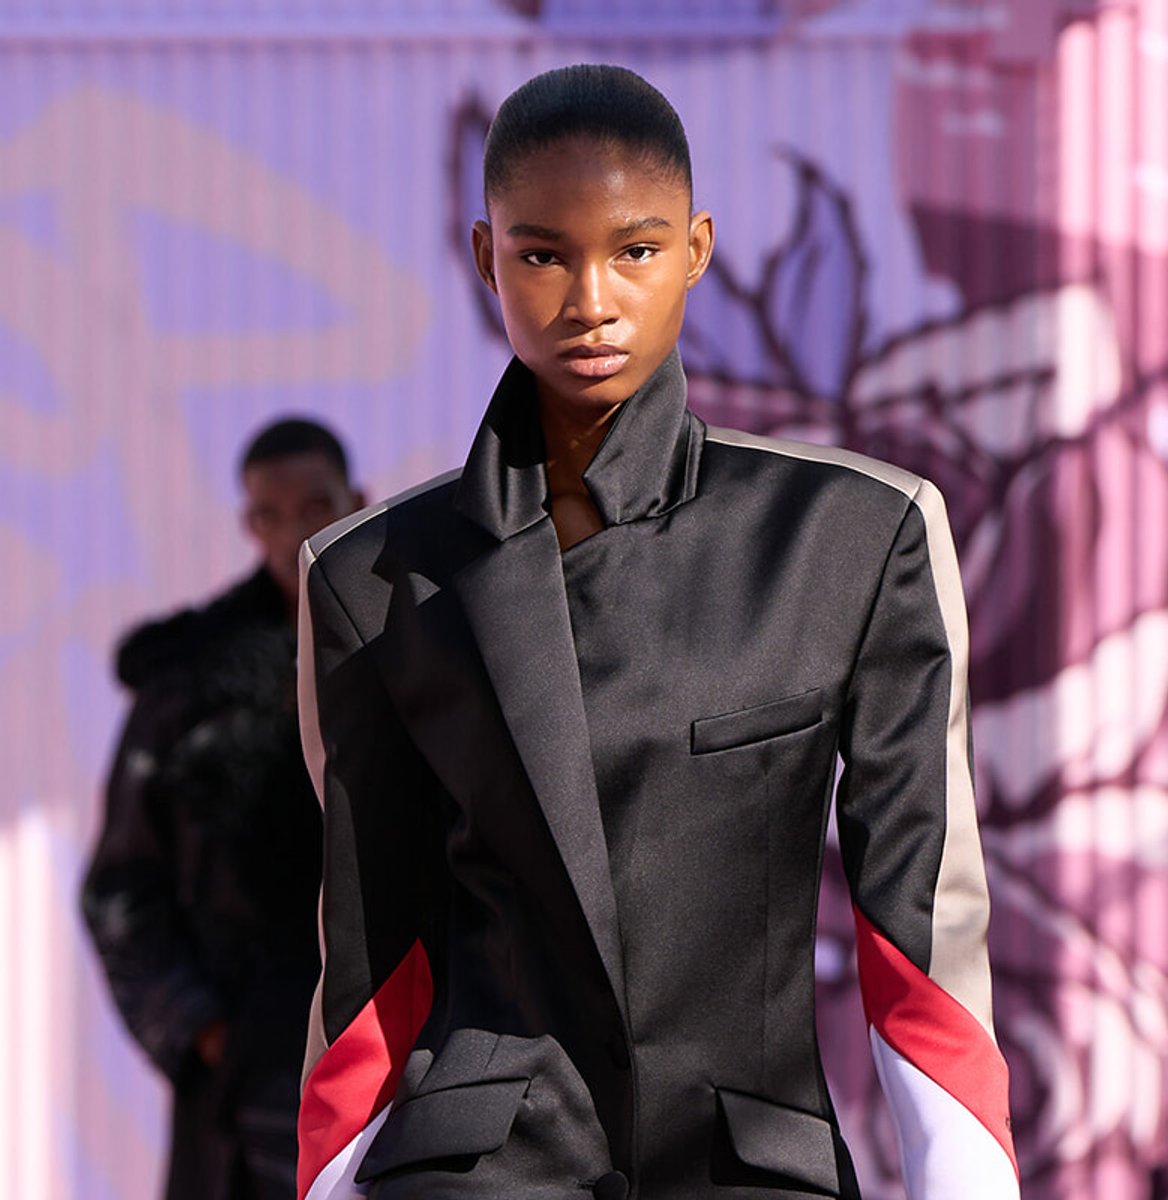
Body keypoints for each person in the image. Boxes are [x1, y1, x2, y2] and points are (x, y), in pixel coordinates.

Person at [296, 65, 1020, 1200]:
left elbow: (918, 935)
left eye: (633, 250)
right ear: (486, 256)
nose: (590, 298)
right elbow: (370, 959)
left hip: (746, 1162)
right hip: (473, 1169)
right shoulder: (372, 577)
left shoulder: (852, 538)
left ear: (697, 250)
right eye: (542, 254)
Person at [81, 417, 366, 1200]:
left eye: (318, 506)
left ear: (359, 502)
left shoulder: (417, 656)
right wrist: (201, 1026)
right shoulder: (190, 683)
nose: (297, 532)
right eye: (272, 515)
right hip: (247, 1066)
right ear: (249, 525)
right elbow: (121, 880)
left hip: (391, 1041)